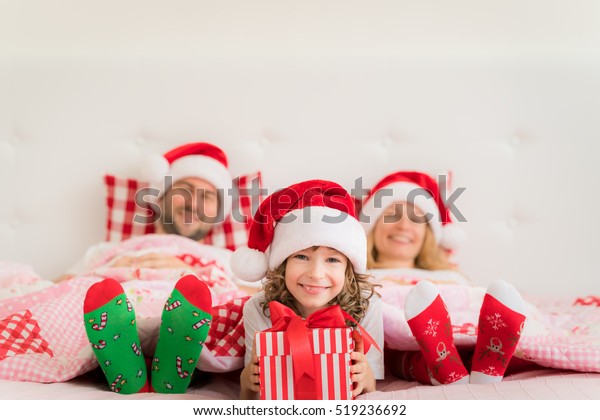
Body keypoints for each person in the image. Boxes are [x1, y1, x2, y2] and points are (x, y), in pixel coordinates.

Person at [359, 171, 526, 385]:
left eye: (416, 219)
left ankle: (484, 366)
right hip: (396, 343)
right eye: (392, 215)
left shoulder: (450, 276)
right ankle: (447, 369)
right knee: (398, 357)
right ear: (372, 227)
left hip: (461, 334)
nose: (403, 226)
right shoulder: (359, 276)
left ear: (429, 233)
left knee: (468, 346)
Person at [231, 179, 385, 399]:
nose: (316, 273)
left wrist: (366, 377)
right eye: (302, 257)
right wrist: (247, 382)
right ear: (283, 264)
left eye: (332, 260)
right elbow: (251, 396)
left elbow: (372, 388)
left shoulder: (368, 305)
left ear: (348, 270)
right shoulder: (259, 307)